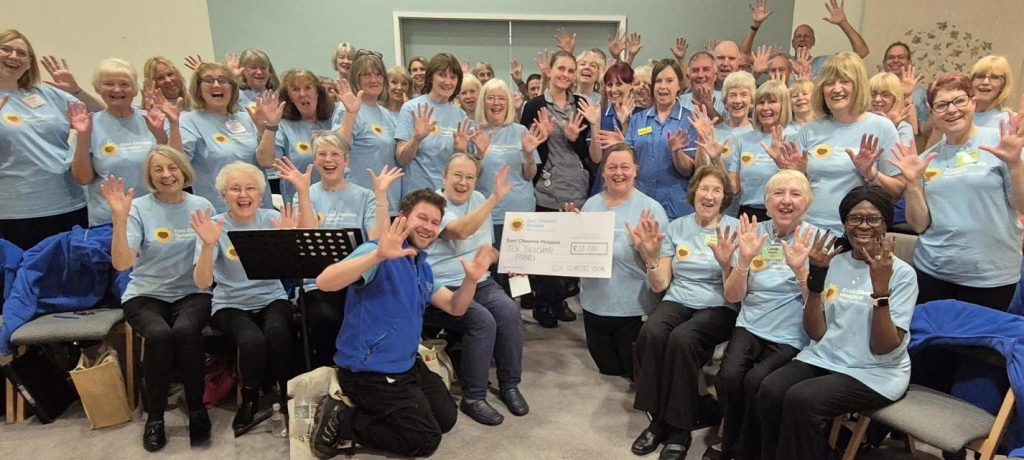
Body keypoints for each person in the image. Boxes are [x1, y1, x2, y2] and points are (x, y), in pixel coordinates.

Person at [309, 189, 496, 458]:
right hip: (368, 371)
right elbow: (325, 282)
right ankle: (343, 419)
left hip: (406, 364)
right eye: (422, 218)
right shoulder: (375, 251)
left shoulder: (421, 266)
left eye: (435, 222)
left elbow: (456, 306)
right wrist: (378, 256)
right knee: (424, 441)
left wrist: (471, 280)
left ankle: (375, 411)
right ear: (403, 217)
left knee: (446, 418)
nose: (429, 227)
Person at [757, 185, 918, 460]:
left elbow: (884, 348)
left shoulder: (901, 274)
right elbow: (817, 333)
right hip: (827, 356)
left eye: (873, 218)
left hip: (874, 372)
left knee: (802, 400)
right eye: (855, 218)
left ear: (885, 224)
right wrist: (816, 282)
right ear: (844, 223)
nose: (863, 225)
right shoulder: (834, 262)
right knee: (770, 390)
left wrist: (881, 291)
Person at [102, 146, 214, 452]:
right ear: (150, 176)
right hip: (145, 294)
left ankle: (197, 409)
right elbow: (122, 264)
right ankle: (155, 417)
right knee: (160, 335)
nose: (166, 175)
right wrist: (120, 219)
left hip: (192, 291)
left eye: (172, 167)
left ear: (183, 171)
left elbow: (204, 273)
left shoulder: (201, 205)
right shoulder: (138, 207)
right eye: (158, 170)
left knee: (186, 331)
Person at [629, 166, 741, 459]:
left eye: (716, 190)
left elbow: (736, 289)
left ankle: (678, 429)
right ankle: (658, 419)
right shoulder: (677, 227)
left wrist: (726, 263)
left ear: (725, 197)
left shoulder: (736, 229)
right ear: (694, 193)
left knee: (683, 339)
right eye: (704, 188)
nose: (709, 195)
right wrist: (650, 256)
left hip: (719, 304)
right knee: (652, 332)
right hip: (679, 298)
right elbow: (661, 283)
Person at [889, 72, 1024, 310]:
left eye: (959, 100)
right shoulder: (927, 159)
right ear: (932, 112)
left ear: (973, 102)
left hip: (990, 277)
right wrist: (913, 183)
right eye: (942, 105)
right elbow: (919, 225)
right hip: (933, 271)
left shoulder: (1002, 144)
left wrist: (1014, 165)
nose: (952, 110)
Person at [713, 170, 818, 460]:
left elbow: (819, 307)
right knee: (728, 378)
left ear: (807, 202)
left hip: (792, 333)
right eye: (778, 193)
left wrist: (801, 272)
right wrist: (744, 261)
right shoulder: (752, 233)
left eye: (795, 194)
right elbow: (733, 296)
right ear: (767, 202)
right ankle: (734, 441)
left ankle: (743, 450)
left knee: (756, 382)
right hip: (750, 324)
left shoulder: (817, 240)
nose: (786, 200)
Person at [275, 132, 399, 368]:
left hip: (357, 280)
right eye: (322, 154)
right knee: (325, 318)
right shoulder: (307, 193)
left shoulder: (365, 196)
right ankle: (328, 370)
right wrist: (302, 192)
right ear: (314, 160)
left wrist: (381, 196)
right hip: (318, 283)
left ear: (346, 160)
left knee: (371, 315)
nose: (328, 159)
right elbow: (308, 237)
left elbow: (377, 239)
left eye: (335, 154)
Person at [424, 154, 527, 426]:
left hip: (479, 280)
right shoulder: (434, 204)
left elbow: (487, 249)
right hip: (443, 285)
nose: (463, 182)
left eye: (470, 177)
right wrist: (496, 198)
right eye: (457, 175)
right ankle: (474, 396)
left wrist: (508, 260)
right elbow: (460, 231)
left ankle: (509, 384)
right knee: (482, 321)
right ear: (443, 177)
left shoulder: (479, 199)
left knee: (508, 312)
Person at [191, 161, 295, 431]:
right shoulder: (214, 226)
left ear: (261, 194)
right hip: (230, 303)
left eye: (250, 188)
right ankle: (249, 399)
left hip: (271, 297)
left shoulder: (273, 219)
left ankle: (288, 394)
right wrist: (208, 244)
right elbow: (203, 282)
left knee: (278, 331)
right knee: (251, 340)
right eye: (235, 189)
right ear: (223, 195)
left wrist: (287, 240)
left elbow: (292, 273)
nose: (243, 195)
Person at [775, 52, 902, 235]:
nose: (836, 89)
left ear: (859, 86)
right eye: (829, 83)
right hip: (809, 230)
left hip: (858, 234)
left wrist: (871, 174)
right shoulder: (809, 130)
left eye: (844, 81)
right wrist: (797, 173)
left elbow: (898, 191)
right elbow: (795, 190)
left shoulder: (882, 127)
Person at [0, 29, 103, 250]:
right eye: (5, 49)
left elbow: (102, 116)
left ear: (29, 63)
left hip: (70, 204)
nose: (13, 56)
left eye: (22, 53)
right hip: (15, 212)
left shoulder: (48, 95)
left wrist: (76, 91)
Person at [579, 145, 669, 377]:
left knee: (633, 374)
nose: (618, 173)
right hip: (594, 307)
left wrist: (647, 251)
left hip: (633, 312)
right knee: (608, 371)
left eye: (625, 167)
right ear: (603, 171)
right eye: (612, 167)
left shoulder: (652, 210)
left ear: (635, 170)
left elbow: (662, 271)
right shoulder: (590, 206)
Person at [518, 49, 591, 327]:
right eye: (561, 68)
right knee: (546, 249)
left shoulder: (582, 104)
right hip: (546, 185)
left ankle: (559, 299)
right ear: (549, 70)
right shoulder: (534, 106)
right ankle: (543, 304)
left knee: (568, 249)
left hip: (576, 183)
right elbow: (526, 145)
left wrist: (574, 138)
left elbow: (588, 152)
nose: (566, 75)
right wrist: (542, 137)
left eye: (571, 70)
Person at [70, 58, 182, 226]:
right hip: (108, 221)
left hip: (157, 216)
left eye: (124, 84)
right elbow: (82, 179)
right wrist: (83, 136)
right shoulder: (87, 125)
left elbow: (178, 168)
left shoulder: (154, 119)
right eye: (109, 84)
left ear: (135, 90)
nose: (117, 89)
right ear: (98, 88)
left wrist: (161, 133)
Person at [598, 59, 698, 220]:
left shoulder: (690, 120)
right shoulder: (638, 119)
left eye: (669, 81)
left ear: (679, 85)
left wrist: (677, 152)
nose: (663, 86)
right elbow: (630, 161)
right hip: (640, 204)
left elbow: (689, 170)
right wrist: (622, 144)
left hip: (676, 206)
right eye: (658, 81)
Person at [474, 78, 545, 291]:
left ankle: (515, 311)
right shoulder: (474, 132)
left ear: (508, 103)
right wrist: (478, 154)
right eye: (491, 98)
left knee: (518, 276)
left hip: (520, 213)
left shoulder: (521, 131)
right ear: (483, 102)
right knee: (493, 275)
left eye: (501, 98)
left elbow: (529, 174)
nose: (496, 103)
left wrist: (529, 154)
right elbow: (470, 178)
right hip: (489, 214)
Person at [179, 61, 272, 213]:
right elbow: (179, 163)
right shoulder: (188, 121)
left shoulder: (248, 118)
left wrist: (265, 128)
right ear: (198, 88)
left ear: (232, 88)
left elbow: (267, 161)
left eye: (223, 81)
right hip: (218, 210)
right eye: (209, 80)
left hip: (259, 209)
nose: (216, 85)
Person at [334, 52, 402, 215]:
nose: (373, 80)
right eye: (366, 75)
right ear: (356, 80)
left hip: (389, 201)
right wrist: (351, 114)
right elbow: (338, 148)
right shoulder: (348, 108)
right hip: (360, 203)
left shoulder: (386, 114)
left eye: (378, 74)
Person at [254, 68, 335, 205]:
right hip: (300, 203)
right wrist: (271, 125)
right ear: (289, 97)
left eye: (308, 88)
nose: (302, 94)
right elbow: (266, 162)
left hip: (337, 201)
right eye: (296, 90)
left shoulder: (333, 119)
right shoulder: (283, 126)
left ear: (317, 92)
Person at [395, 53, 469, 196]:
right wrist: (417, 138)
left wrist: (460, 151)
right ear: (431, 77)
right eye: (442, 75)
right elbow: (402, 159)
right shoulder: (411, 108)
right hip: (417, 196)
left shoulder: (461, 115)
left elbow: (462, 167)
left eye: (453, 77)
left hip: (449, 196)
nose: (448, 82)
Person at [727, 80, 798, 221]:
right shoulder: (743, 140)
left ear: (784, 105)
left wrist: (781, 163)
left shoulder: (796, 137)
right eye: (761, 102)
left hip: (784, 214)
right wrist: (715, 159)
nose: (765, 108)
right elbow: (733, 189)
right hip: (748, 214)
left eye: (772, 102)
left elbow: (802, 185)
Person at [741, 0, 869, 78]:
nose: (802, 39)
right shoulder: (782, 62)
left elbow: (862, 52)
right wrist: (755, 25)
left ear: (813, 42)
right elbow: (744, 55)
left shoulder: (824, 63)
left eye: (807, 36)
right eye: (798, 36)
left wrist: (843, 23)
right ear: (793, 43)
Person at [970, 55, 1016, 130]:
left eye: (995, 77)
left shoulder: (1011, 121)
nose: (985, 82)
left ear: (1003, 85)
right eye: (980, 76)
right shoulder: (956, 115)